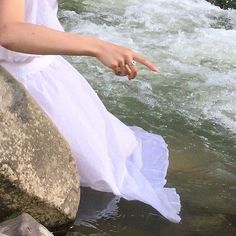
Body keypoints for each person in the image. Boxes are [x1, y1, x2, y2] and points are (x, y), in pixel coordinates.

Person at [0, 0, 181, 223]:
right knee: (101, 177)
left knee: (111, 161)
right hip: (19, 85)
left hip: (42, 72)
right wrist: (97, 46)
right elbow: (9, 31)